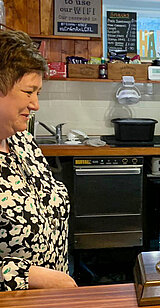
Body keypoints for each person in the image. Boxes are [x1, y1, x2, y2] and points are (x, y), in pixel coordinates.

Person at [0, 30, 77, 290]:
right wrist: (30, 277)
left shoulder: (21, 141)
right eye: (28, 92)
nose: (35, 105)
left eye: (38, 93)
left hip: (51, 307)